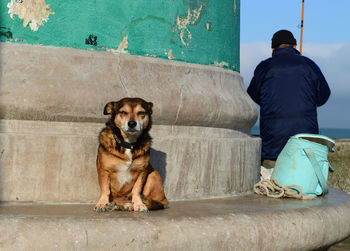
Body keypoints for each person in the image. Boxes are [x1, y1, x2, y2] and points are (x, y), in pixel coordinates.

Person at [247, 29, 331, 169]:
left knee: (274, 186)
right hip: (305, 148)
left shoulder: (264, 67)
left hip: (272, 149)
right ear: (294, 46)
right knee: (303, 186)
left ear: (273, 48)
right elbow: (324, 95)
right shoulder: (309, 64)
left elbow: (252, 94)